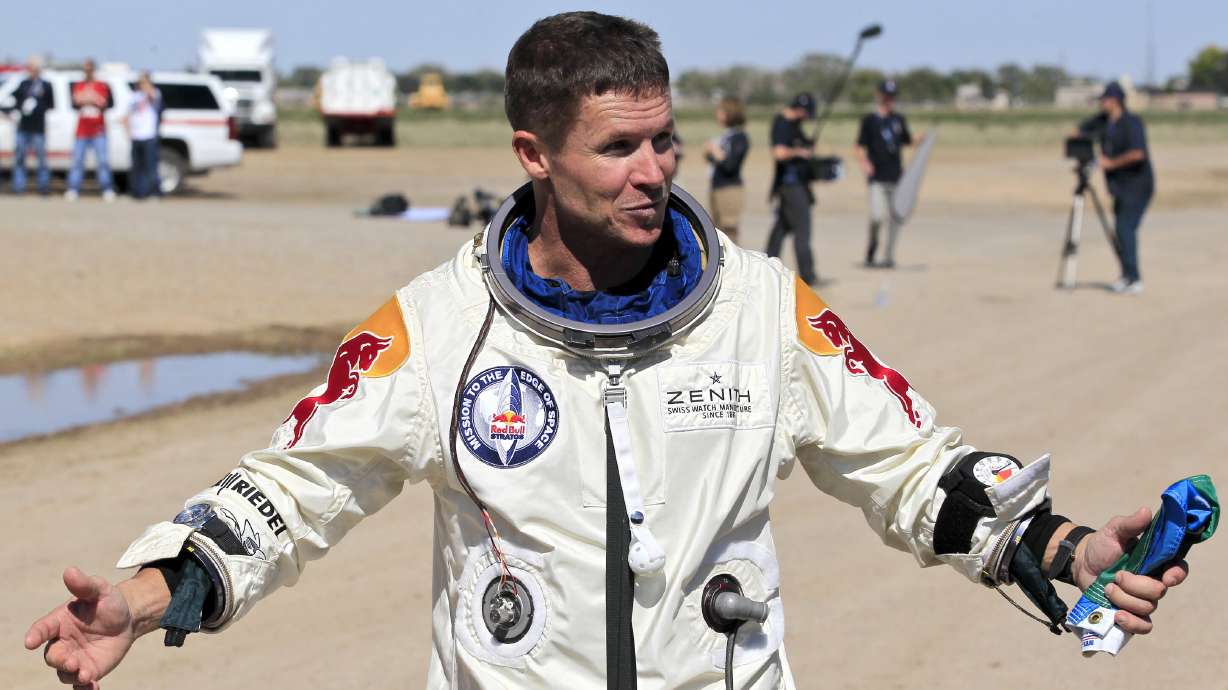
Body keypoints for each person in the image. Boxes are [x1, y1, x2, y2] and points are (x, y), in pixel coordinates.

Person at [26, 12, 1190, 690]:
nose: (654, 172)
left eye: (664, 140)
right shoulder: (436, 325)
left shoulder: (760, 307)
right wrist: (145, 595)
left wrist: (1067, 545)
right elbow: (290, 491)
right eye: (618, 148)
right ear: (534, 154)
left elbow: (910, 466)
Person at [1076, 82, 1154, 294]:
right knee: (1122, 230)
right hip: (1119, 186)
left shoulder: (1131, 123)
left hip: (1137, 184)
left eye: (1105, 99)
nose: (1101, 103)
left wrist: (1110, 163)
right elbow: (1079, 131)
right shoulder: (1103, 121)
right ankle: (1127, 276)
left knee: (1124, 228)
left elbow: (1138, 153)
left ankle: (1134, 279)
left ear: (1116, 101)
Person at [855, 79, 913, 268]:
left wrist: (924, 140)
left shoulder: (898, 120)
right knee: (877, 216)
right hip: (877, 178)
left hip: (896, 176)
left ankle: (888, 256)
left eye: (892, 96)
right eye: (886, 96)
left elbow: (907, 140)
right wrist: (865, 163)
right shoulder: (869, 120)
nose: (889, 100)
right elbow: (859, 146)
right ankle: (872, 248)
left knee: (895, 219)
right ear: (879, 95)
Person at [765, 92, 820, 285]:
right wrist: (800, 151)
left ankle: (767, 266)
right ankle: (808, 274)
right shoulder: (782, 124)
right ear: (800, 109)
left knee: (782, 227)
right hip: (791, 186)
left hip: (797, 184)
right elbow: (779, 153)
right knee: (802, 229)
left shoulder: (796, 126)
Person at [65, 58, 115, 202]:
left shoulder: (102, 86)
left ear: (93, 70)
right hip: (82, 130)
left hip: (98, 129)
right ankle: (73, 188)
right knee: (77, 160)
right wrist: (83, 100)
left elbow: (107, 103)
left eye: (90, 69)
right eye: (85, 69)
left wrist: (94, 99)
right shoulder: (78, 86)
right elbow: (75, 103)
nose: (87, 72)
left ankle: (107, 188)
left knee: (103, 161)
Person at [703, 97, 749, 243]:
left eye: (721, 111)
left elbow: (730, 165)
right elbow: (715, 160)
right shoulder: (726, 136)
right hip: (717, 187)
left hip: (730, 190)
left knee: (729, 233)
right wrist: (709, 153)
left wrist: (716, 152)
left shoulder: (740, 137)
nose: (717, 114)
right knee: (716, 232)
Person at [8, 56, 54, 196]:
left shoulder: (46, 85)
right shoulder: (23, 84)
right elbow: (14, 99)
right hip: (23, 127)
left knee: (41, 159)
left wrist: (38, 108)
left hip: (38, 128)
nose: (32, 70)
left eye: (34, 67)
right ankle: (19, 187)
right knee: (20, 158)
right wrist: (19, 109)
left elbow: (50, 104)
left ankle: (43, 187)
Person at [125, 71, 162, 200]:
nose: (141, 83)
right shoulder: (133, 96)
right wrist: (128, 131)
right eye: (140, 81)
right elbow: (127, 115)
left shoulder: (155, 93)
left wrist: (146, 84)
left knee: (150, 166)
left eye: (143, 81)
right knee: (136, 167)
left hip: (149, 135)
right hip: (136, 136)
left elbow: (153, 97)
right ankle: (138, 192)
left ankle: (154, 192)